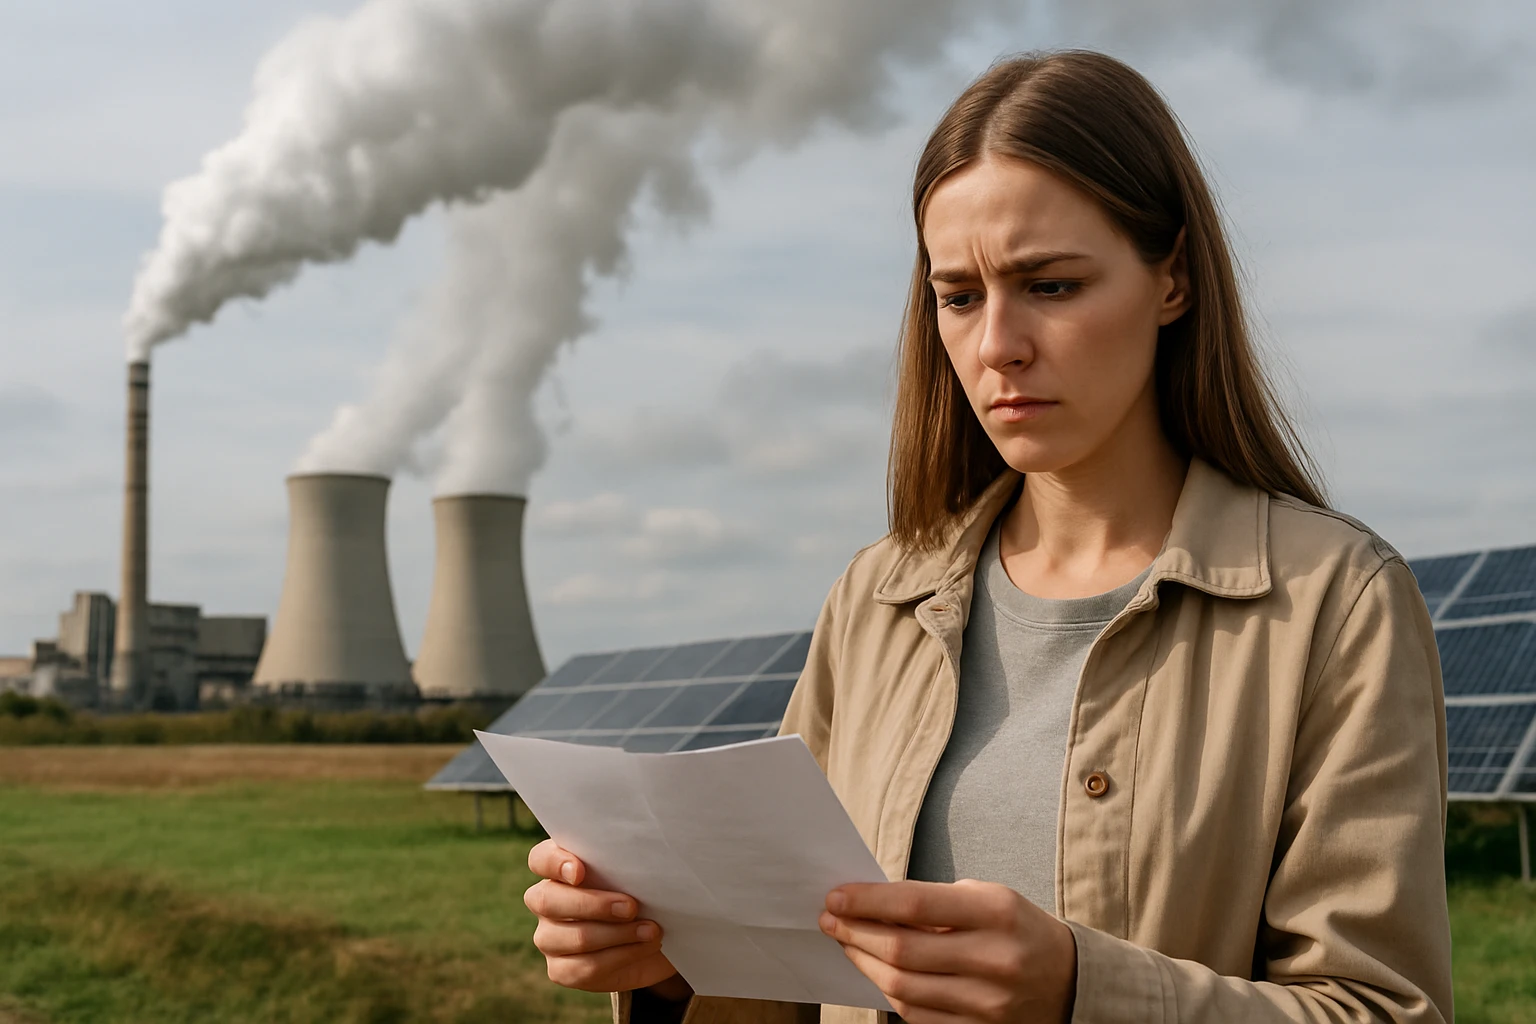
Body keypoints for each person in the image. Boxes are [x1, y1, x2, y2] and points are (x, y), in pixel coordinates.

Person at [521, 49, 1453, 1024]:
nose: (997, 343)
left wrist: (1080, 990)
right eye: (959, 296)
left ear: (1172, 278)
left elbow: (1388, 1009)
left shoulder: (1334, 605)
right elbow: (800, 978)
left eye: (1049, 285)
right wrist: (670, 960)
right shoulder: (876, 598)